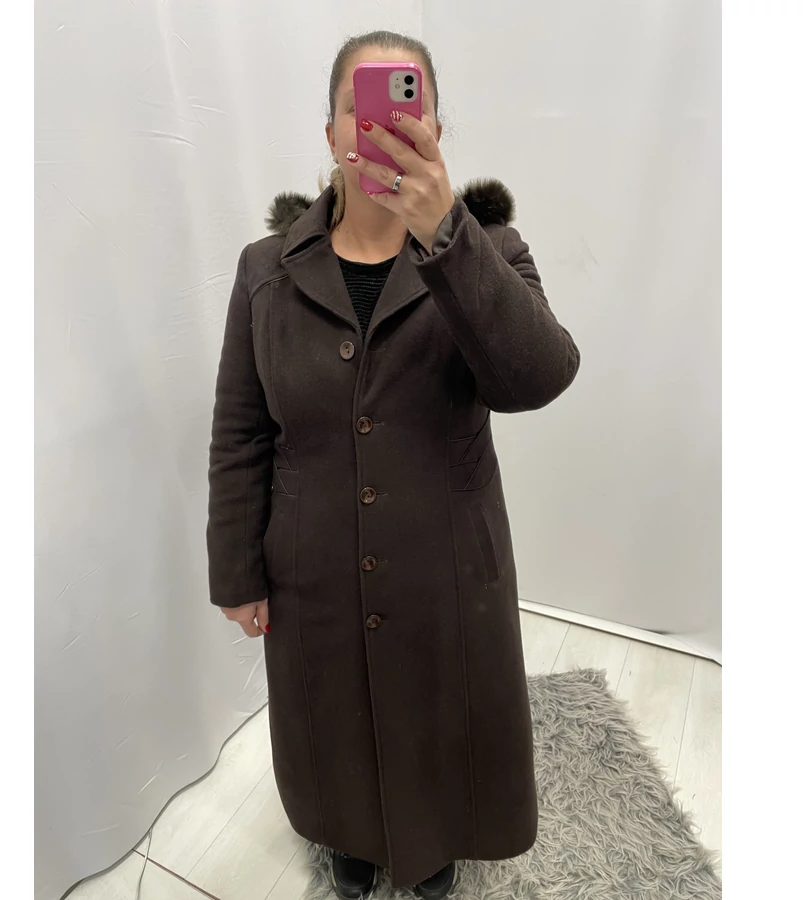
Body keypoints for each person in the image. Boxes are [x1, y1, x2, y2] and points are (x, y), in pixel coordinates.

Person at [207, 30, 580, 900]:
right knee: (331, 711)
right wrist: (237, 570)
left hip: (446, 560)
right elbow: (240, 430)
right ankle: (349, 831)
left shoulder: (490, 248)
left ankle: (433, 837)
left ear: (435, 129)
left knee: (438, 708)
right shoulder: (266, 271)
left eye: (404, 107)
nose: (377, 126)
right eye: (357, 108)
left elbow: (540, 377)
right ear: (330, 129)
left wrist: (447, 235)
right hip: (311, 564)